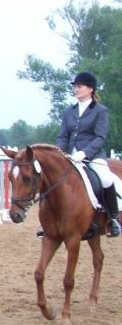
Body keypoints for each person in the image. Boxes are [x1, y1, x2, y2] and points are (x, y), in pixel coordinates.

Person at [55, 71, 120, 237]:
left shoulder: (100, 111)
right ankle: (49, 222)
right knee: (51, 179)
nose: (76, 89)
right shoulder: (69, 112)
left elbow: (100, 137)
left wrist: (84, 153)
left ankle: (112, 219)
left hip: (92, 156)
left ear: (90, 89)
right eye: (75, 87)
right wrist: (59, 153)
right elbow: (63, 136)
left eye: (80, 86)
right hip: (69, 156)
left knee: (105, 178)